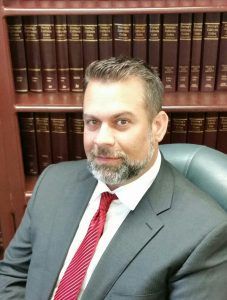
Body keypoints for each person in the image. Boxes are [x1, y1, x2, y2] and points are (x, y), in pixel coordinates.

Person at [0, 57, 227, 300]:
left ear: (157, 126)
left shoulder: (205, 233)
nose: (102, 139)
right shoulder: (52, 182)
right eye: (92, 122)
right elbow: (13, 275)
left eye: (121, 122)